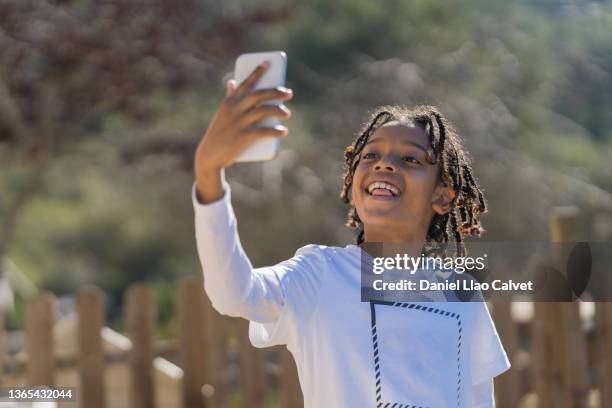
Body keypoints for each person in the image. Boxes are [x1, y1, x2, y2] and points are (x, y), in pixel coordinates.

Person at [192, 61, 510, 407]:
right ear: (353, 183)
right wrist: (209, 175)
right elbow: (233, 295)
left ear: (443, 196)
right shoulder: (318, 274)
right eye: (370, 154)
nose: (384, 164)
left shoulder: (461, 297)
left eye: (411, 159)